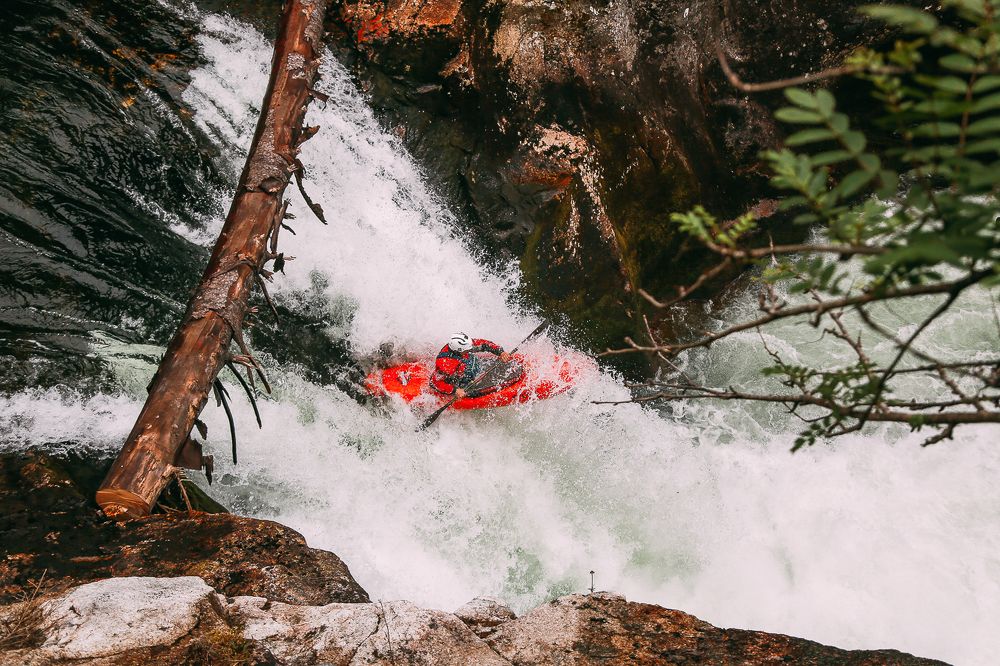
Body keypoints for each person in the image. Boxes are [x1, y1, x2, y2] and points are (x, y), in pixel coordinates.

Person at [430, 332, 512, 398]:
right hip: (456, 380)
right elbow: (435, 382)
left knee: (472, 361)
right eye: (467, 350)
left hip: (465, 367)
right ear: (458, 351)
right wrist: (455, 390)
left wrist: (500, 352)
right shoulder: (445, 364)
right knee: (473, 391)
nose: (471, 349)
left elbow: (485, 344)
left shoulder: (464, 345)